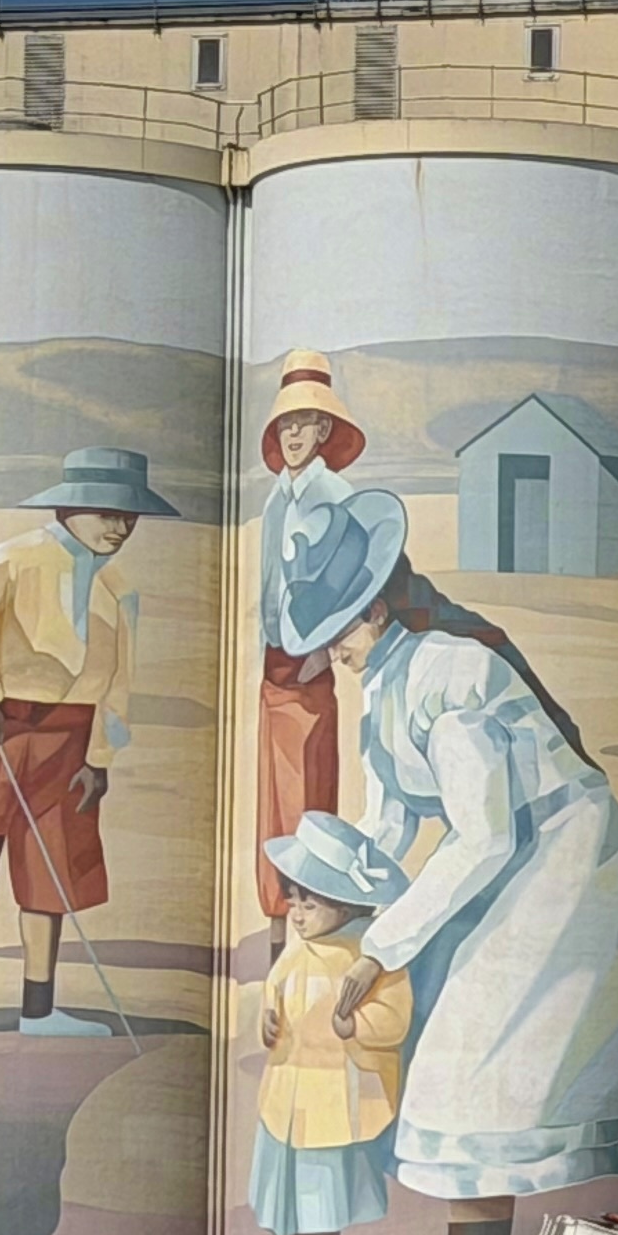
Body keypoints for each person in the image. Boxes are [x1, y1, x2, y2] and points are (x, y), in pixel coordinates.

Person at [273, 491, 618, 1235]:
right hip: (508, 864)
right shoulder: (385, 686)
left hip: (564, 863)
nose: (333, 652)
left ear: (377, 608)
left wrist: (380, 946)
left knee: (474, 1079)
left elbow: (485, 835)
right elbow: (388, 828)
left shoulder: (451, 673)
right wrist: (335, 910)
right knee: (459, 1077)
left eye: (341, 629)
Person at [0, 447, 179, 1036]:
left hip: (72, 743)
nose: (119, 528)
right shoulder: (11, 559)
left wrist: (99, 759)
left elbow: (119, 684)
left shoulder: (119, 587)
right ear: (69, 508)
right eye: (107, 514)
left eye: (129, 517)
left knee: (50, 874)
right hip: (3, 730)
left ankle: (38, 1010)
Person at [252, 811, 415, 1235]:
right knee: (288, 1229)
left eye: (310, 903)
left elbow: (394, 1020)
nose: (297, 914)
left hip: (331, 1115)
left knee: (319, 1233)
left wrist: (355, 1026)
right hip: (283, 1111)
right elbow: (274, 995)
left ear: (345, 905)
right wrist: (267, 1021)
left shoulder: (369, 956)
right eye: (293, 902)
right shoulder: (297, 949)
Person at [253, 350, 368, 925]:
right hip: (271, 668)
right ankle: (277, 922)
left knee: (307, 799)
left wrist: (322, 651)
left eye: (304, 423)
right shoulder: (276, 498)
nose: (294, 435)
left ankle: (310, 922)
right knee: (271, 802)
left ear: (324, 429)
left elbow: (358, 580)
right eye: (285, 425)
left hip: (309, 668)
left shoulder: (338, 496)